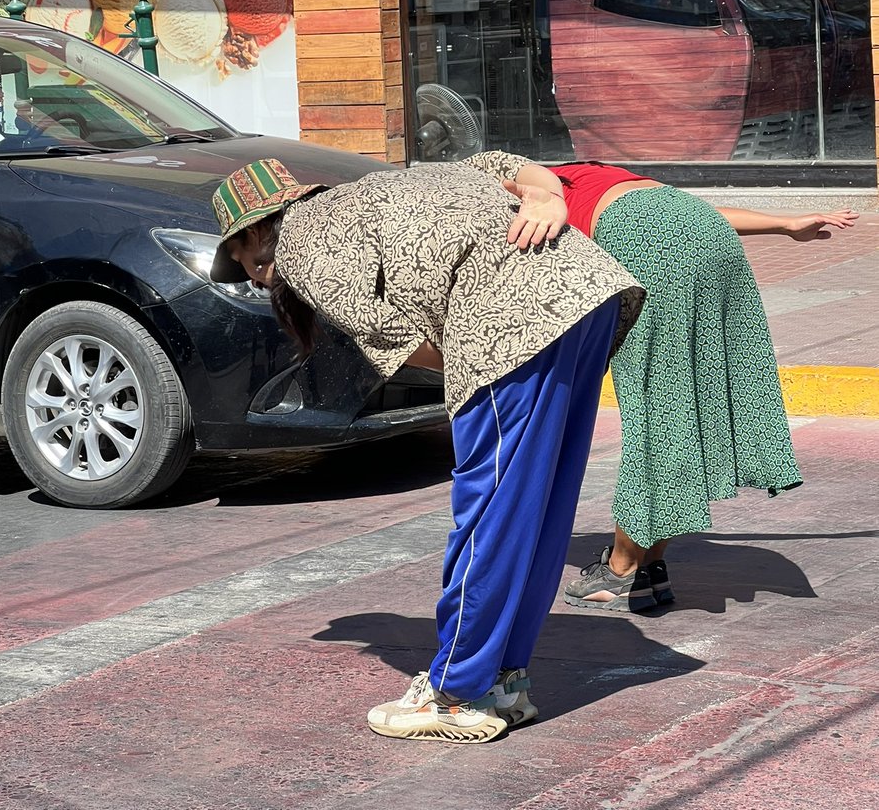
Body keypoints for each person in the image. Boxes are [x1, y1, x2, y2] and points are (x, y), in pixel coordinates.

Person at [209, 154, 644, 743]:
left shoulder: (303, 250)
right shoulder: (385, 185)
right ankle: (504, 684)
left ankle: (456, 693)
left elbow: (407, 344)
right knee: (539, 509)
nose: (248, 272)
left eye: (239, 257)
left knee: (488, 514)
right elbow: (515, 165)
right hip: (591, 294)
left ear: (256, 232)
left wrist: (477, 356)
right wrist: (549, 200)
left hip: (514, 319)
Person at [491, 157, 858, 612]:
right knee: (687, 404)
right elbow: (679, 215)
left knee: (658, 409)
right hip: (706, 233)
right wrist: (784, 225)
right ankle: (648, 566)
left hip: (647, 243)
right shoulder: (597, 173)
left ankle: (621, 571)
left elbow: (535, 203)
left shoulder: (505, 178)